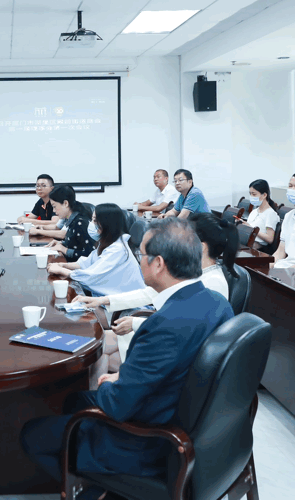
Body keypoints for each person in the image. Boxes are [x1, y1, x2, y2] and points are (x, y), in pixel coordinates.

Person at [21, 218, 233, 482]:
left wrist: (109, 382)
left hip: (147, 442)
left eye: (141, 255)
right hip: (191, 420)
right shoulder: (217, 302)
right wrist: (123, 377)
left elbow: (118, 405)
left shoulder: (164, 325)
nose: (138, 261)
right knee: (74, 400)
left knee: (32, 434)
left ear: (158, 264)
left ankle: (97, 489)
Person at [75, 212, 238, 372]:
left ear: (200, 247)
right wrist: (102, 300)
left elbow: (185, 327)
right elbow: (150, 294)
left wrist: (136, 323)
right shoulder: (194, 272)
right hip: (160, 334)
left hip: (173, 349)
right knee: (98, 348)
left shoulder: (214, 282)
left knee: (99, 354)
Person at [47, 203, 146, 299]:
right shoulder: (107, 243)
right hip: (112, 298)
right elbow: (87, 262)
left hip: (126, 303)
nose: (91, 224)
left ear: (106, 224)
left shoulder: (117, 250)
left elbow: (91, 277)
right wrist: (63, 265)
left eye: (94, 220)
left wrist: (61, 270)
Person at [45, 185, 95, 262]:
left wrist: (64, 249)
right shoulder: (70, 218)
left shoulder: (79, 223)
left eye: (54, 207)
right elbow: (76, 243)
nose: (54, 211)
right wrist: (62, 243)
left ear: (65, 203)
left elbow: (90, 254)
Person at [236, 178, 281, 249]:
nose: (251, 197)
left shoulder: (270, 214)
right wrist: (243, 225)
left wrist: (252, 230)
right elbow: (250, 228)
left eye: (254, 194)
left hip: (255, 247)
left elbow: (270, 238)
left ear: (264, 195)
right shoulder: (254, 211)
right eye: (250, 194)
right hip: (245, 242)